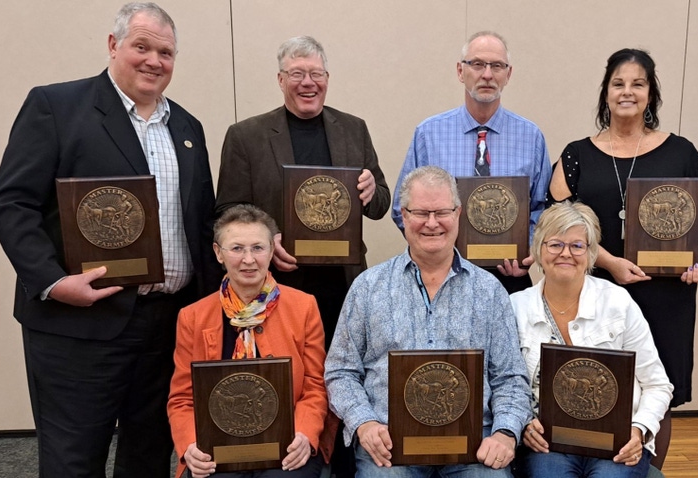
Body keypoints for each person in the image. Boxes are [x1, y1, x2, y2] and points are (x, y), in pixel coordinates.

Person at [0, 3, 220, 476]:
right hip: (80, 324)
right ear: (113, 46)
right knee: (74, 458)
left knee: (149, 454)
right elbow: (12, 204)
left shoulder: (187, 128)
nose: (154, 60)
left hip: (166, 325)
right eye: (142, 46)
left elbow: (202, 223)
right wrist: (53, 282)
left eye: (166, 52)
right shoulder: (56, 106)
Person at [547, 48, 698, 468]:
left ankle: (648, 473)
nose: (628, 92)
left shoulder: (681, 152)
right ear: (605, 93)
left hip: (666, 293)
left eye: (638, 84)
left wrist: (697, 260)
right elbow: (557, 220)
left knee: (659, 391)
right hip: (596, 292)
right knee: (592, 386)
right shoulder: (577, 154)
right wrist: (607, 261)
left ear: (651, 93)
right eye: (618, 83)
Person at [325, 166, 532, 477]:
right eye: (421, 212)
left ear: (459, 213)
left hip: (473, 448)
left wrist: (505, 432)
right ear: (404, 216)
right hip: (390, 449)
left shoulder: (489, 291)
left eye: (442, 212)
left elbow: (511, 378)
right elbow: (340, 370)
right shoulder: (368, 287)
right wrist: (364, 423)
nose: (432, 223)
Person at [215, 35, 391, 350]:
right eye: (297, 73)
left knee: (341, 378)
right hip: (275, 284)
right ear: (281, 80)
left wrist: (370, 190)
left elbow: (380, 204)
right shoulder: (246, 136)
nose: (307, 82)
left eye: (316, 74)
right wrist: (266, 239)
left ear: (327, 79)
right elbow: (228, 211)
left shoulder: (354, 129)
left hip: (342, 284)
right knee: (285, 378)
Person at [510, 201, 673, 478]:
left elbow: (658, 385)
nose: (566, 254)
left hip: (617, 439)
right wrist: (525, 424)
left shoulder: (618, 303)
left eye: (577, 245)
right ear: (538, 250)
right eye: (555, 245)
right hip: (548, 441)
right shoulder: (515, 308)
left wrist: (639, 430)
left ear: (590, 253)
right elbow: (504, 384)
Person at [168, 205, 329, 478]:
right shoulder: (192, 316)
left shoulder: (304, 307)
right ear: (219, 253)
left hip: (286, 442)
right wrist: (191, 445)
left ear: (271, 250)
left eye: (257, 248)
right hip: (217, 445)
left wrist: (304, 434)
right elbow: (182, 398)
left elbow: (315, 387)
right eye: (237, 248)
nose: (248, 259)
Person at [391, 31, 552, 294]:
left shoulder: (530, 136)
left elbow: (542, 206)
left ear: (508, 74)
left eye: (497, 66)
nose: (487, 74)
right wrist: (434, 249)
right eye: (477, 64)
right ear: (460, 71)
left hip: (508, 277)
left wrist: (530, 250)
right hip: (440, 277)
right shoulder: (429, 134)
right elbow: (402, 207)